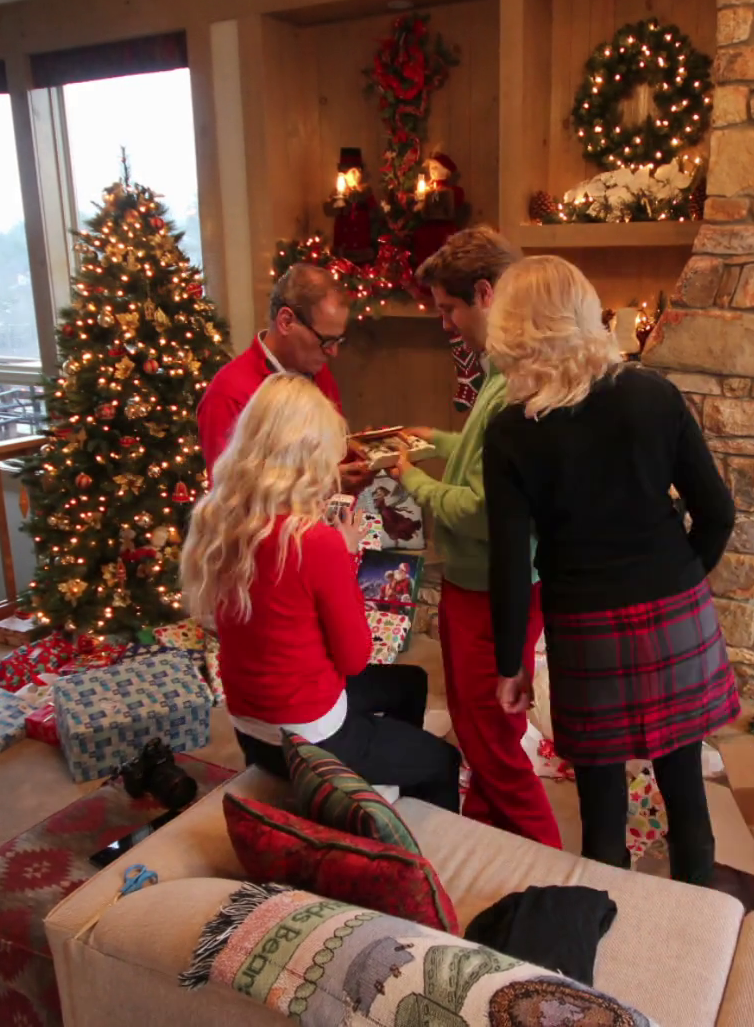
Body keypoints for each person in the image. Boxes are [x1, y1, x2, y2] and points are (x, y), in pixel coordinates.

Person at [481, 255, 739, 882]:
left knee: (600, 809)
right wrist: (682, 580)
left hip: (585, 627)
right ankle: (701, 917)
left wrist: (511, 663)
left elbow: (510, 561)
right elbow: (718, 512)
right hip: (673, 613)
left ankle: (607, 923)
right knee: (686, 789)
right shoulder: (653, 395)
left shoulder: (511, 432)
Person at [180, 373, 460, 809]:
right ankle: (388, 813)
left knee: (409, 682)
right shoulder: (314, 541)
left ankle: (380, 784)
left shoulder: (221, 519)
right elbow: (353, 658)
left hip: (249, 726)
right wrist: (345, 555)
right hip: (310, 739)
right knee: (444, 761)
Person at [391, 227, 562, 848]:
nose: (445, 324)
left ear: (486, 294)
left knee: (491, 740)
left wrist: (409, 477)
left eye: (449, 309)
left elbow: (485, 510)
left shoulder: (515, 386)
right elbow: (482, 459)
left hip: (493, 591)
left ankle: (548, 862)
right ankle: (491, 840)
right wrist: (435, 440)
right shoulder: (499, 372)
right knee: (477, 726)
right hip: (479, 585)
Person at [196, 263, 371, 493]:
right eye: (326, 340)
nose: (333, 352)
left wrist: (362, 453)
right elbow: (229, 495)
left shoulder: (318, 372)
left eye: (338, 341)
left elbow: (331, 454)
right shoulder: (228, 393)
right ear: (286, 321)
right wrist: (323, 485)